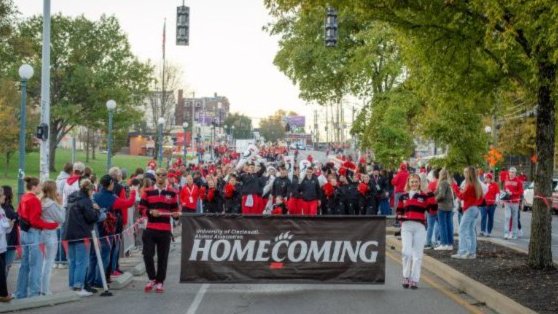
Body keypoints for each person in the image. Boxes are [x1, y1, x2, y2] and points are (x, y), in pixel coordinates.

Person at [89, 175, 137, 290]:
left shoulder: (95, 196)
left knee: (93, 256)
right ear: (110, 184)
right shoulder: (112, 199)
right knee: (105, 255)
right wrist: (134, 192)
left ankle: (90, 280)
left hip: (93, 230)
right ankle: (100, 280)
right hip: (107, 230)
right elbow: (129, 203)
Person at [138, 168, 180, 293]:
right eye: (158, 175)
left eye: (163, 175)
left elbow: (175, 210)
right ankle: (152, 278)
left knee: (163, 257)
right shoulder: (148, 191)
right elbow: (141, 208)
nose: (160, 177)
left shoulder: (172, 192)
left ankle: (160, 281)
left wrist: (176, 215)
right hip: (150, 228)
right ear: (155, 176)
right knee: (147, 255)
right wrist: (150, 212)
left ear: (166, 177)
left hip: (165, 229)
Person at [16, 177, 59, 299]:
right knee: (35, 265)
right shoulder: (34, 200)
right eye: (39, 186)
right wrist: (52, 225)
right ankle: (34, 293)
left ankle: (21, 292)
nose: (41, 188)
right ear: (34, 187)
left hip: (24, 233)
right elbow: (35, 221)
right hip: (33, 233)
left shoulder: (24, 197)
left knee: (24, 265)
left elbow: (19, 213)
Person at [64, 179, 102, 297]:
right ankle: (78, 286)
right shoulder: (86, 201)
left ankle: (72, 285)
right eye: (92, 191)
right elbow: (91, 218)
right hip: (82, 234)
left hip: (70, 234)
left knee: (73, 262)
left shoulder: (72, 198)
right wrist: (96, 209)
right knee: (82, 262)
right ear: (89, 190)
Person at [396, 174, 430, 289]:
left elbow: (432, 210)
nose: (414, 184)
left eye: (416, 182)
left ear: (419, 183)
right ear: (408, 183)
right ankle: (406, 276)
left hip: (419, 227)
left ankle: (414, 279)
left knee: (417, 255)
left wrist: (431, 195)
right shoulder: (403, 196)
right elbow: (399, 211)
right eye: (412, 182)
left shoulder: (424, 196)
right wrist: (401, 220)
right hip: (406, 226)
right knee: (406, 252)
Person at [451, 166, 483, 259]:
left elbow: (461, 196)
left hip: (469, 209)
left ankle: (463, 251)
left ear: (469, 174)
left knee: (462, 230)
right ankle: (471, 252)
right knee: (471, 231)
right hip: (474, 208)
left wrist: (454, 186)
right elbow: (480, 198)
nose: (464, 174)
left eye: (465, 172)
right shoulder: (476, 184)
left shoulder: (469, 185)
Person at [40, 181, 66, 295]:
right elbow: (61, 219)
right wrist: (61, 204)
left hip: (43, 232)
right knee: (48, 262)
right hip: (50, 233)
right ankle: (45, 289)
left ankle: (42, 287)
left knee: (43, 262)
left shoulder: (41, 201)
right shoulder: (51, 204)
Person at [434, 169, 455, 250]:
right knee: (449, 225)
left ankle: (444, 244)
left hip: (442, 207)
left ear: (441, 175)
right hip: (449, 207)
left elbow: (441, 195)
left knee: (442, 225)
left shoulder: (442, 183)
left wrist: (435, 199)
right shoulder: (448, 183)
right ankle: (449, 244)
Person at [0, 188, 14, 302]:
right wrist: (8, 224)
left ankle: (3, 293)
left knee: (2, 270)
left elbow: (7, 228)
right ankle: (3, 294)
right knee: (1, 271)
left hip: (2, 246)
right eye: (2, 195)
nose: (5, 197)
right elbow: (3, 226)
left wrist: (9, 224)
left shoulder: (2, 210)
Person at [502, 167, 523, 240]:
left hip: (515, 202)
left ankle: (514, 234)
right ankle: (506, 233)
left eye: (513, 172)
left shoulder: (519, 181)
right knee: (507, 217)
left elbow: (520, 192)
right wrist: (503, 196)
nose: (511, 173)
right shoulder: (506, 180)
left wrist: (512, 193)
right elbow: (504, 189)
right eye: (510, 172)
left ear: (515, 173)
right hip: (507, 202)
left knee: (515, 218)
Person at [1, 186, 17, 277]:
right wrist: (15, 218)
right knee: (6, 265)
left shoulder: (7, 208)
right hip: (8, 241)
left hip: (8, 241)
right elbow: (6, 225)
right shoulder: (6, 209)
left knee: (6, 265)